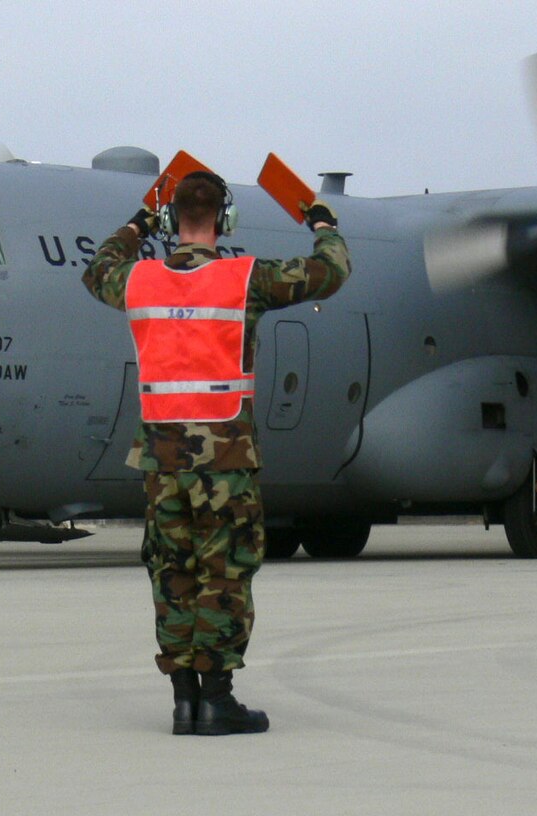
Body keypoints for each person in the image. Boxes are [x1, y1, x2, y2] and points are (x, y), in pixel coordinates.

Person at [82, 170, 350, 735]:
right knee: (224, 574)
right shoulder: (243, 279)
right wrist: (320, 220)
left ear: (173, 219)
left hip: (161, 459)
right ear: (223, 220)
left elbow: (97, 269)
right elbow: (332, 271)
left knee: (172, 572)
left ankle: (183, 701)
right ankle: (218, 700)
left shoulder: (140, 281)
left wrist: (136, 223)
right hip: (226, 458)